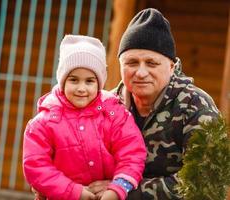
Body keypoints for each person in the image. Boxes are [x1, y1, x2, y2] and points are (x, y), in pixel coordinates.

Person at [87, 8, 220, 200]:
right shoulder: (106, 104)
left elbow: (207, 181)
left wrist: (123, 191)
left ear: (171, 66)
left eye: (151, 63)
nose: (141, 72)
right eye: (132, 62)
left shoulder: (195, 105)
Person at [23, 35, 147, 200]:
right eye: (74, 80)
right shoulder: (44, 123)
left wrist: (118, 188)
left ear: (99, 83)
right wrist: (72, 191)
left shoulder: (115, 114)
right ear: (62, 81)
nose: (81, 88)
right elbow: (36, 165)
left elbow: (132, 152)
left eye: (89, 81)